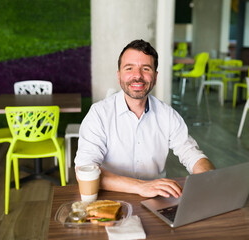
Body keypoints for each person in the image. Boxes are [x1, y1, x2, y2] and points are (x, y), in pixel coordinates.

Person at [74, 39, 214, 199]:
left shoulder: (167, 114)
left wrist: (209, 177)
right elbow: (84, 170)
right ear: (119, 76)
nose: (137, 76)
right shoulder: (99, 114)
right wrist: (142, 186)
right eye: (129, 68)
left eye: (145, 69)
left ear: (155, 77)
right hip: (110, 199)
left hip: (156, 199)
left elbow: (191, 154)